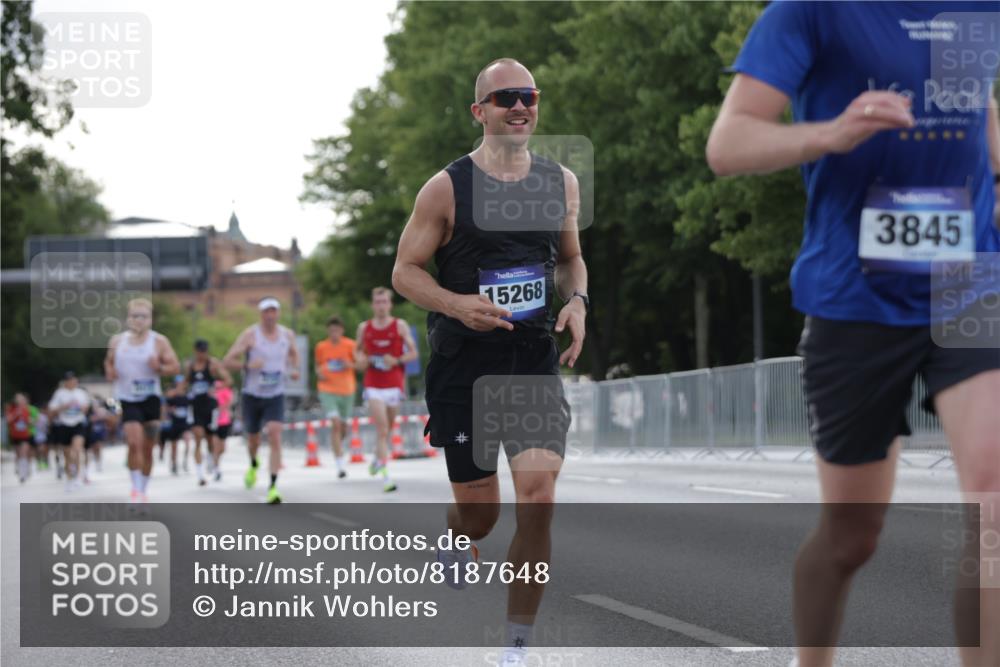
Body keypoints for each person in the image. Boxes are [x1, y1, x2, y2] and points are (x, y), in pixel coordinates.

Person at [707, 4, 1000, 667]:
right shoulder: (810, 12)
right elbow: (727, 145)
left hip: (969, 283)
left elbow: (978, 98)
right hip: (854, 297)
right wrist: (832, 132)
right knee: (852, 536)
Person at [392, 58, 587, 666]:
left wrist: (578, 301)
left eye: (529, 95)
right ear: (480, 111)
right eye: (506, 98)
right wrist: (455, 304)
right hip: (465, 368)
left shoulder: (561, 182)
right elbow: (404, 271)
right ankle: (458, 535)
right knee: (481, 516)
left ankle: (516, 647)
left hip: (530, 361)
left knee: (539, 499)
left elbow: (570, 259)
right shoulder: (446, 188)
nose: (520, 106)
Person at [223, 297, 300, 504]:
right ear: (261, 314)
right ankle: (253, 463)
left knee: (275, 434)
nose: (270, 315)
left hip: (276, 394)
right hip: (252, 394)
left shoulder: (287, 335)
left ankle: (273, 486)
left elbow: (294, 355)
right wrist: (248, 366)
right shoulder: (250, 335)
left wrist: (294, 369)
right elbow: (227, 360)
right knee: (253, 439)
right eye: (266, 311)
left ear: (278, 313)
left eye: (273, 311)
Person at [105, 298, 181, 503]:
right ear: (128, 318)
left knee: (148, 448)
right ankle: (136, 488)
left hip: (151, 399)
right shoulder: (117, 342)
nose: (139, 320)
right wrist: (110, 371)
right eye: (135, 316)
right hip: (127, 398)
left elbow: (175, 367)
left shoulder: (159, 342)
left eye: (143, 316)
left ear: (150, 319)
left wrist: (159, 367)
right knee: (133, 443)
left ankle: (143, 488)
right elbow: (108, 362)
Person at [355, 288, 417, 493]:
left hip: (394, 384)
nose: (381, 306)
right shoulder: (364, 328)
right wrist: (361, 360)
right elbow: (357, 352)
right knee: (382, 429)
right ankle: (386, 478)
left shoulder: (399, 325)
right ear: (372, 305)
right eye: (377, 302)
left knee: (387, 429)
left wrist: (397, 360)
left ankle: (376, 459)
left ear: (390, 304)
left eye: (384, 302)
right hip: (373, 385)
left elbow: (413, 353)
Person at [185, 339, 233, 485]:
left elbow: (228, 380)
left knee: (211, 440)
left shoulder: (213, 364)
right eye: (200, 351)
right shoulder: (190, 366)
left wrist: (217, 387)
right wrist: (177, 393)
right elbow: (185, 383)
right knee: (198, 437)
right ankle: (200, 475)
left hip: (210, 407)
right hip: (196, 407)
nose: (202, 354)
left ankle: (213, 463)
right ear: (195, 351)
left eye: (204, 351)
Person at [314, 315, 357, 479]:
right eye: (331, 330)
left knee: (343, 427)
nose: (334, 333)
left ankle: (337, 445)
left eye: (337, 330)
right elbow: (318, 365)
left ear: (342, 331)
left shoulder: (350, 345)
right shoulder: (321, 346)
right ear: (328, 331)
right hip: (327, 389)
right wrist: (319, 372)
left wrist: (349, 364)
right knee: (336, 424)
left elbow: (360, 364)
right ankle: (340, 464)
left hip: (347, 390)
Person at [48, 372, 92, 491]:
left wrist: (81, 408)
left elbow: (86, 408)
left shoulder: (81, 393)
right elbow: (52, 410)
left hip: (78, 424)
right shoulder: (59, 393)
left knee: (76, 450)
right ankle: (69, 478)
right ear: (66, 382)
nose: (72, 382)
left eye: (73, 379)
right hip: (64, 425)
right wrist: (64, 406)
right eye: (69, 380)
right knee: (67, 454)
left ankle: (77, 476)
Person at [161, 377, 194, 476]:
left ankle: (185, 461)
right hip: (174, 423)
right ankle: (174, 464)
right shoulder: (172, 396)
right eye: (179, 383)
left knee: (187, 442)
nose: (180, 385)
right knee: (174, 445)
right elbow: (165, 406)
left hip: (185, 423)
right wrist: (169, 412)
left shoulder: (188, 396)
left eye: (182, 383)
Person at [6, 393, 35, 483]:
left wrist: (30, 421)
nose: (20, 401)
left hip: (25, 435)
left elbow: (30, 421)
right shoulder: (11, 408)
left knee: (24, 453)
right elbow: (8, 420)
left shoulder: (26, 409)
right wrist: (16, 414)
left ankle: (23, 474)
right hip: (15, 435)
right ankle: (20, 469)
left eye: (22, 399)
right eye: (18, 399)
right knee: (18, 454)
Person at [211, 380, 234, 481]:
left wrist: (222, 408)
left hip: (224, 422)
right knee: (216, 447)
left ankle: (214, 459)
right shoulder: (213, 390)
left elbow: (229, 403)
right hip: (214, 422)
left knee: (223, 449)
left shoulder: (227, 391)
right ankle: (216, 469)